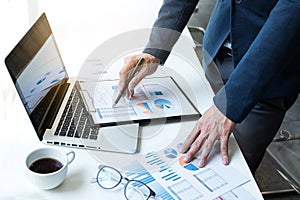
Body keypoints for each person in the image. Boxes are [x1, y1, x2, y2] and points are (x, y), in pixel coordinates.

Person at [118, 0, 300, 174]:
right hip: (217, 47)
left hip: (265, 79)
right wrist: (155, 49)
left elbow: (292, 11)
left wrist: (232, 102)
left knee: (225, 172)